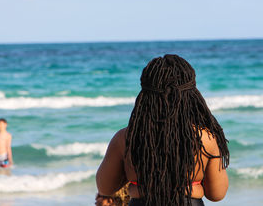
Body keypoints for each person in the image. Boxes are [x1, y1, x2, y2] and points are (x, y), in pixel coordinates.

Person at [96, 54, 230, 206]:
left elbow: (105, 187)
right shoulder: (205, 138)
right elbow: (217, 194)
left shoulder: (126, 137)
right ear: (191, 95)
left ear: (145, 96)